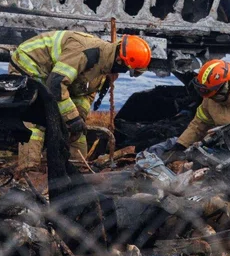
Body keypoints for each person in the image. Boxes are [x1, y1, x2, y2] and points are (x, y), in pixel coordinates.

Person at [10, 31, 151, 170]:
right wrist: (71, 118)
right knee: (37, 120)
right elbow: (56, 85)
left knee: (77, 131)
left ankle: (77, 170)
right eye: (129, 70)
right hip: (30, 66)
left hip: (54, 77)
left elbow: (84, 95)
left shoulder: (103, 68)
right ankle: (28, 172)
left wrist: (78, 119)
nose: (124, 73)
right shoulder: (86, 53)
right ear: (120, 61)